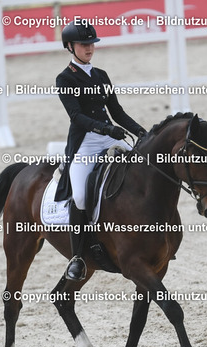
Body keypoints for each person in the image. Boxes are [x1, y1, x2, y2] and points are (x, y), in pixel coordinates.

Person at [55, 20, 146, 281]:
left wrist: (141, 131)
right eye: (83, 44)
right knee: (81, 196)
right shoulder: (65, 78)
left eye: (92, 44)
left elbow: (117, 112)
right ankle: (77, 257)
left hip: (109, 137)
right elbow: (76, 116)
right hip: (85, 143)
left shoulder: (101, 75)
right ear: (70, 47)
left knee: (143, 169)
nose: (89, 48)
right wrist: (106, 129)